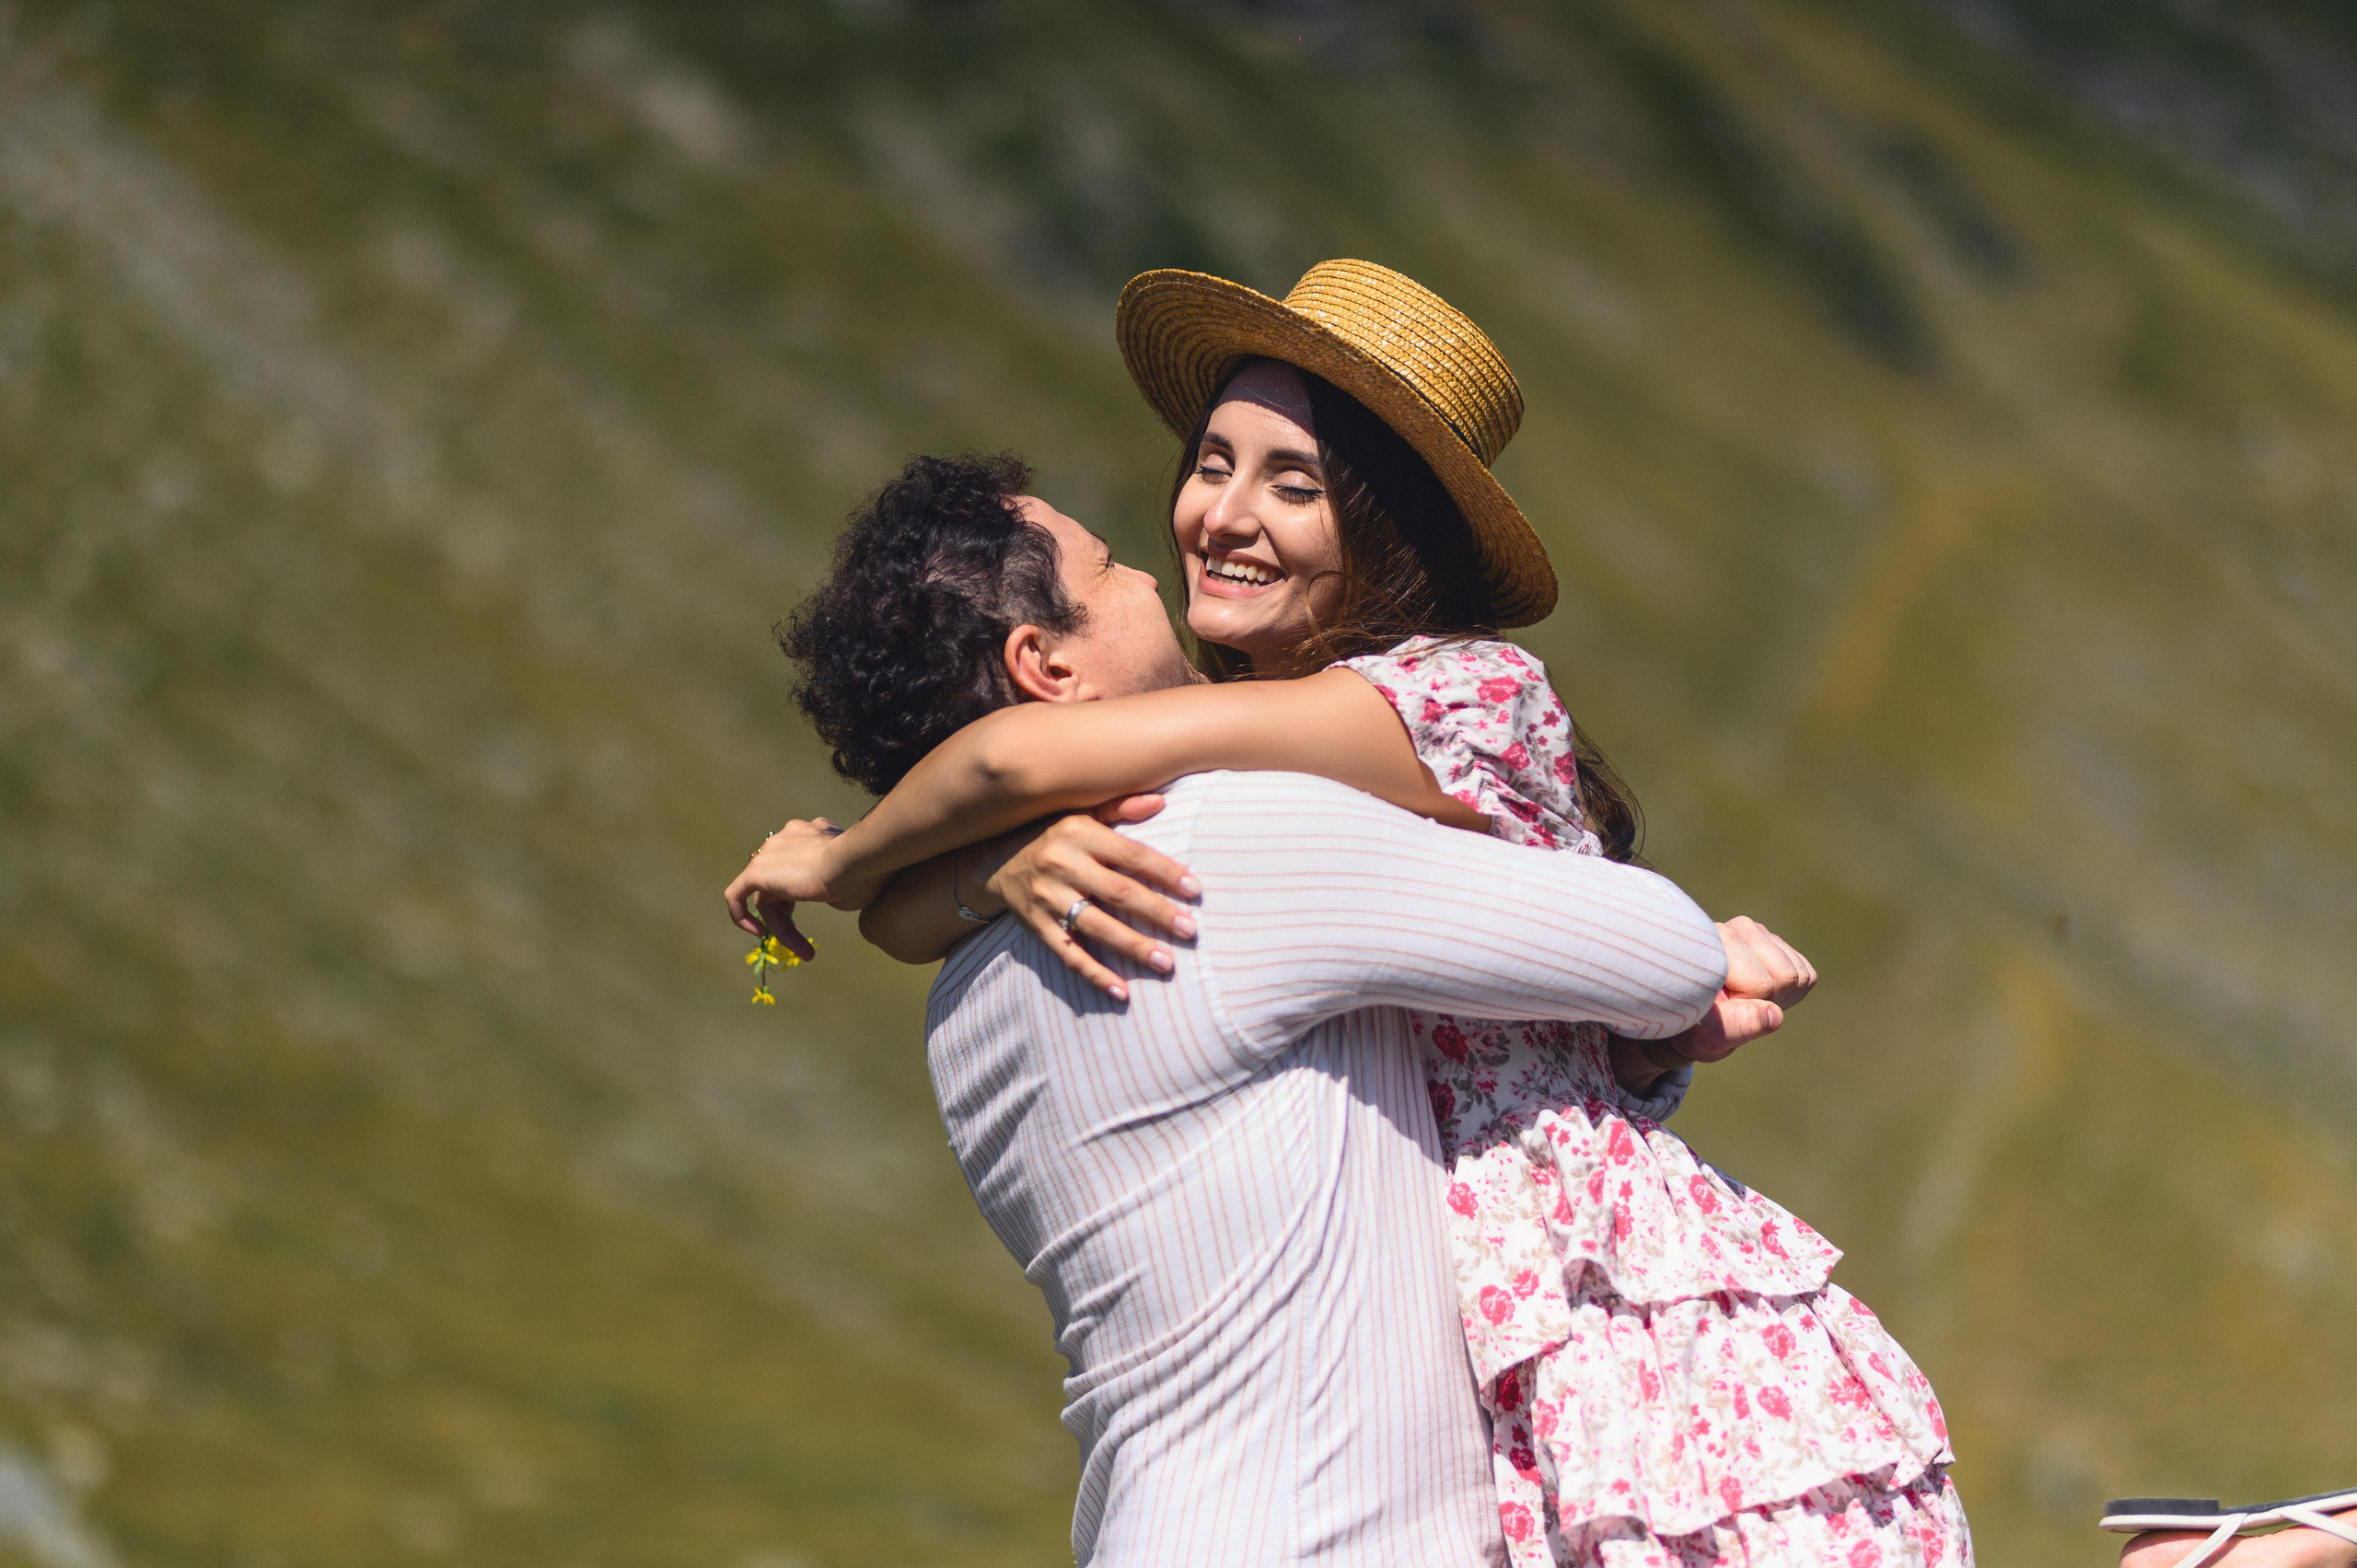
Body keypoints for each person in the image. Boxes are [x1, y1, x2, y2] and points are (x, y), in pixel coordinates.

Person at [729, 261, 1967, 1566]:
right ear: (1045, 666)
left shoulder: (973, 992)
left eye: (1295, 483)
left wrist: (873, 865)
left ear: (1378, 534)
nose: (1200, 531)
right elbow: (1652, 951)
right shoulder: (1221, 828)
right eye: (1208, 467)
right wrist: (905, 866)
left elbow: (990, 800)